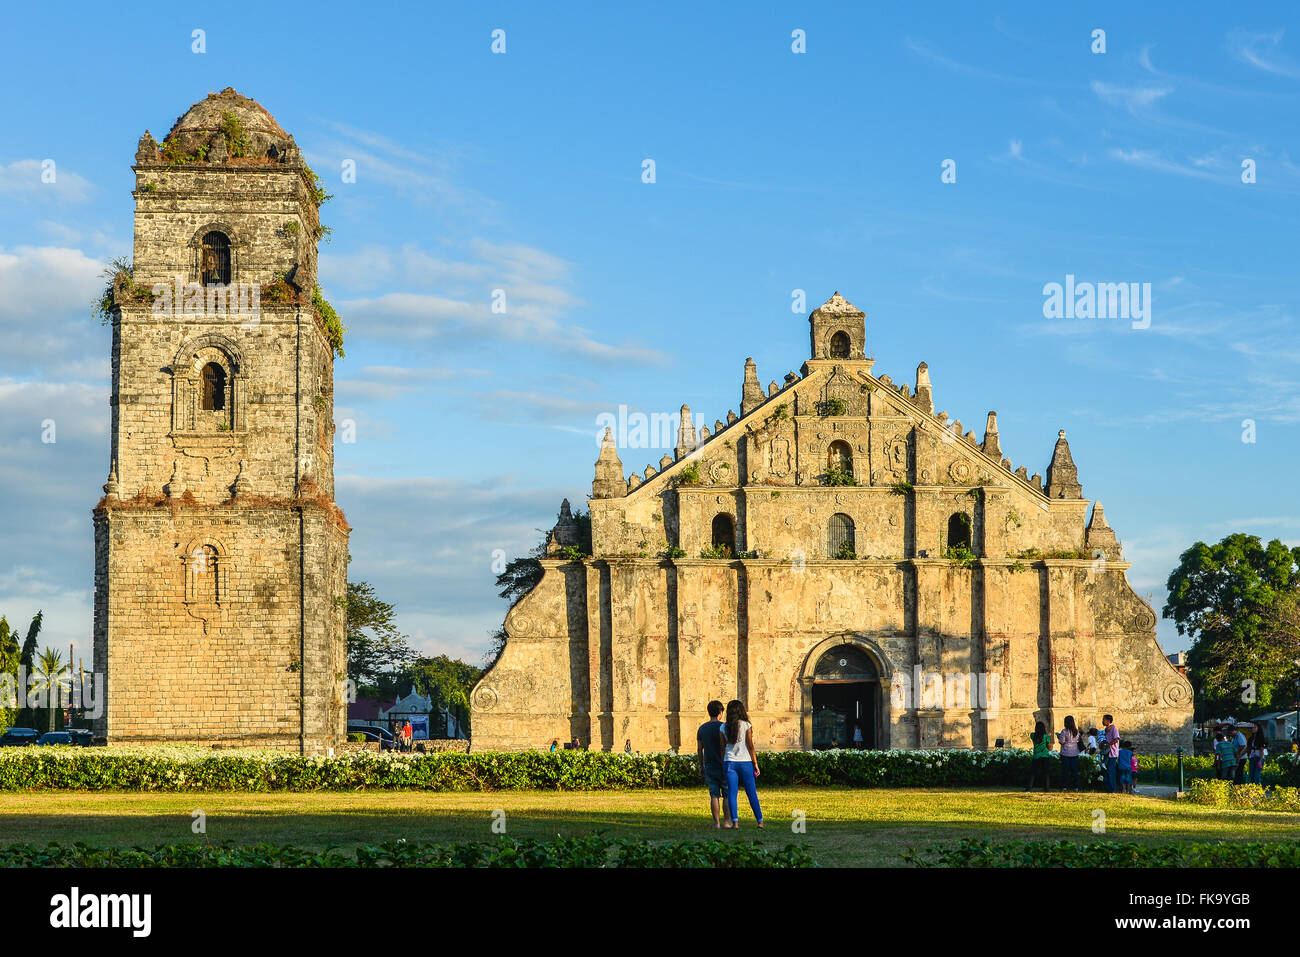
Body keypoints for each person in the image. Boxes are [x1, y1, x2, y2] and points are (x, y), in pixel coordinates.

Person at [721, 699, 763, 828]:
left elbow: (722, 748)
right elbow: (750, 746)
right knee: (751, 793)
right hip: (745, 762)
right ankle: (760, 821)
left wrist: (723, 763)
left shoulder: (723, 727)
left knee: (732, 793)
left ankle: (735, 822)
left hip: (729, 762)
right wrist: (755, 763)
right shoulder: (746, 725)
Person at [696, 700, 730, 828]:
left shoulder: (702, 729)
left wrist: (701, 765)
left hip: (709, 765)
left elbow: (700, 749)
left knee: (714, 794)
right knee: (726, 794)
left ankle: (716, 823)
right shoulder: (724, 727)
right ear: (721, 713)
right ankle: (727, 822)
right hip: (724, 764)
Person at [1025, 721, 1052, 792]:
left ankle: (1028, 788)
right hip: (1045, 756)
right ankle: (1046, 788)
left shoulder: (1032, 735)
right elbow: (1050, 748)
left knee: (1032, 773)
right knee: (1046, 773)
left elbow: (1037, 736)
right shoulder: (1046, 736)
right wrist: (1048, 736)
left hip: (1036, 756)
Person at [1057, 715, 1081, 791]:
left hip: (1065, 753)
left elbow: (1062, 742)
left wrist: (1058, 736)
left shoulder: (1064, 731)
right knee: (1075, 771)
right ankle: (1076, 787)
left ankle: (1064, 787)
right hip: (1074, 752)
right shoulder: (1076, 731)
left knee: (1065, 771)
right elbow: (1077, 740)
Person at [1101, 715, 1120, 793]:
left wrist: (1107, 745)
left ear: (1108, 721)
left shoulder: (1114, 729)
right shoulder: (1106, 729)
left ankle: (1113, 789)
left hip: (1112, 753)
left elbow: (1116, 739)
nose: (1102, 721)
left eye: (1104, 720)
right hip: (1107, 753)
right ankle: (1108, 788)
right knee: (1106, 771)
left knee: (1111, 771)